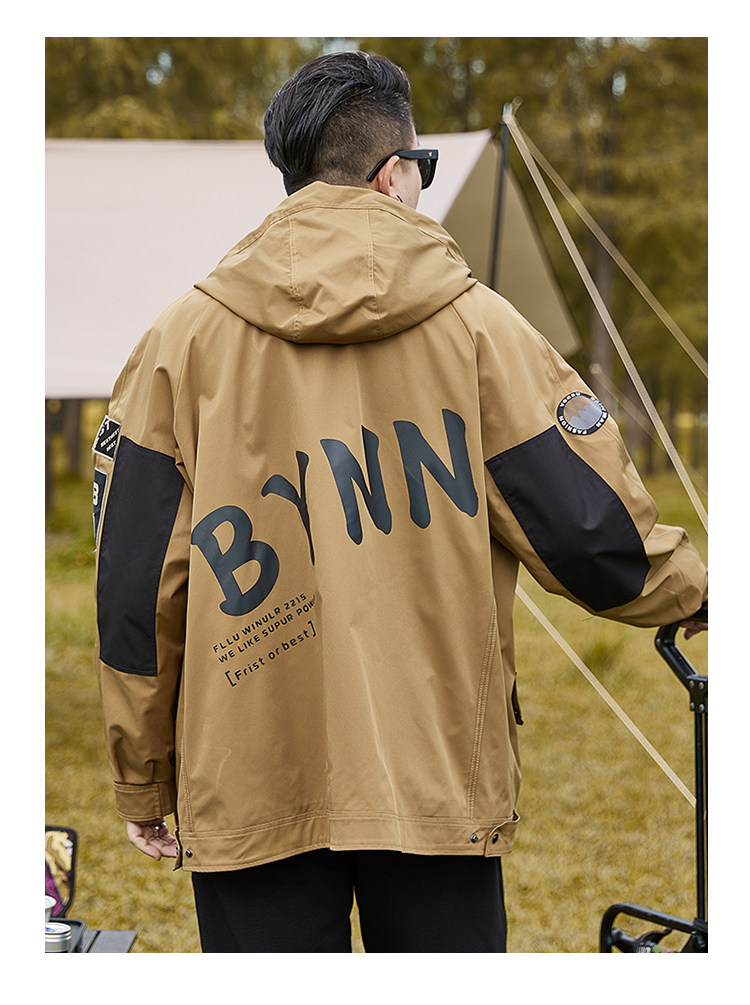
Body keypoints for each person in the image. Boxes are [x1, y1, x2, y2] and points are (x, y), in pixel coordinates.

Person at [93, 51, 707, 953]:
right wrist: (694, 590)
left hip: (250, 780)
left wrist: (143, 775)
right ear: (393, 175)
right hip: (433, 778)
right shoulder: (481, 327)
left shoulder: (177, 342)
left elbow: (136, 588)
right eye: (421, 168)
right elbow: (588, 528)